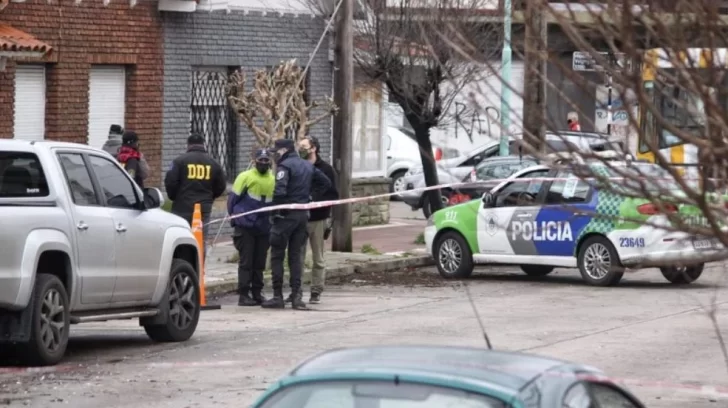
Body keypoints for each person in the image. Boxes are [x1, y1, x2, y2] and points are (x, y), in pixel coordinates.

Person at [261, 138, 331, 310]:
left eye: (275, 152)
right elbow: (325, 183)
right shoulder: (307, 165)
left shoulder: (285, 167)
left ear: (283, 151)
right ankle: (297, 297)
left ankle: (277, 296)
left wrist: (275, 210)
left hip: (285, 217)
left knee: (277, 255)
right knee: (295, 257)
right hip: (302, 217)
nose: (274, 156)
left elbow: (279, 191)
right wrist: (309, 198)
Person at [288, 136, 338, 305]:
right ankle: (296, 291)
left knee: (318, 258)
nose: (301, 150)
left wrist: (313, 200)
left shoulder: (326, 169)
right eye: (299, 146)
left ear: (313, 148)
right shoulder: (297, 167)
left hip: (317, 218)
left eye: (304, 146)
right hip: (299, 218)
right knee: (297, 257)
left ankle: (316, 290)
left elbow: (333, 194)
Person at [164, 133, 226, 258]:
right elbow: (221, 186)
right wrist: (210, 197)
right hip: (203, 209)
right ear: (203, 145)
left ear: (188, 145)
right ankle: (199, 270)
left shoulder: (179, 161)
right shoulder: (213, 164)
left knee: (180, 239)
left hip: (182, 208)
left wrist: (175, 197)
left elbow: (170, 182)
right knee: (200, 240)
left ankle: (182, 267)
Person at [228, 149, 275, 307]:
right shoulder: (245, 177)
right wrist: (235, 220)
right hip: (245, 226)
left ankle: (257, 293)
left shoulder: (273, 179)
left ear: (270, 162)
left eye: (266, 160)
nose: (263, 163)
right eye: (260, 160)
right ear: (255, 161)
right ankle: (244, 294)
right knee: (246, 262)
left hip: (263, 227)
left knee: (259, 262)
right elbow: (232, 200)